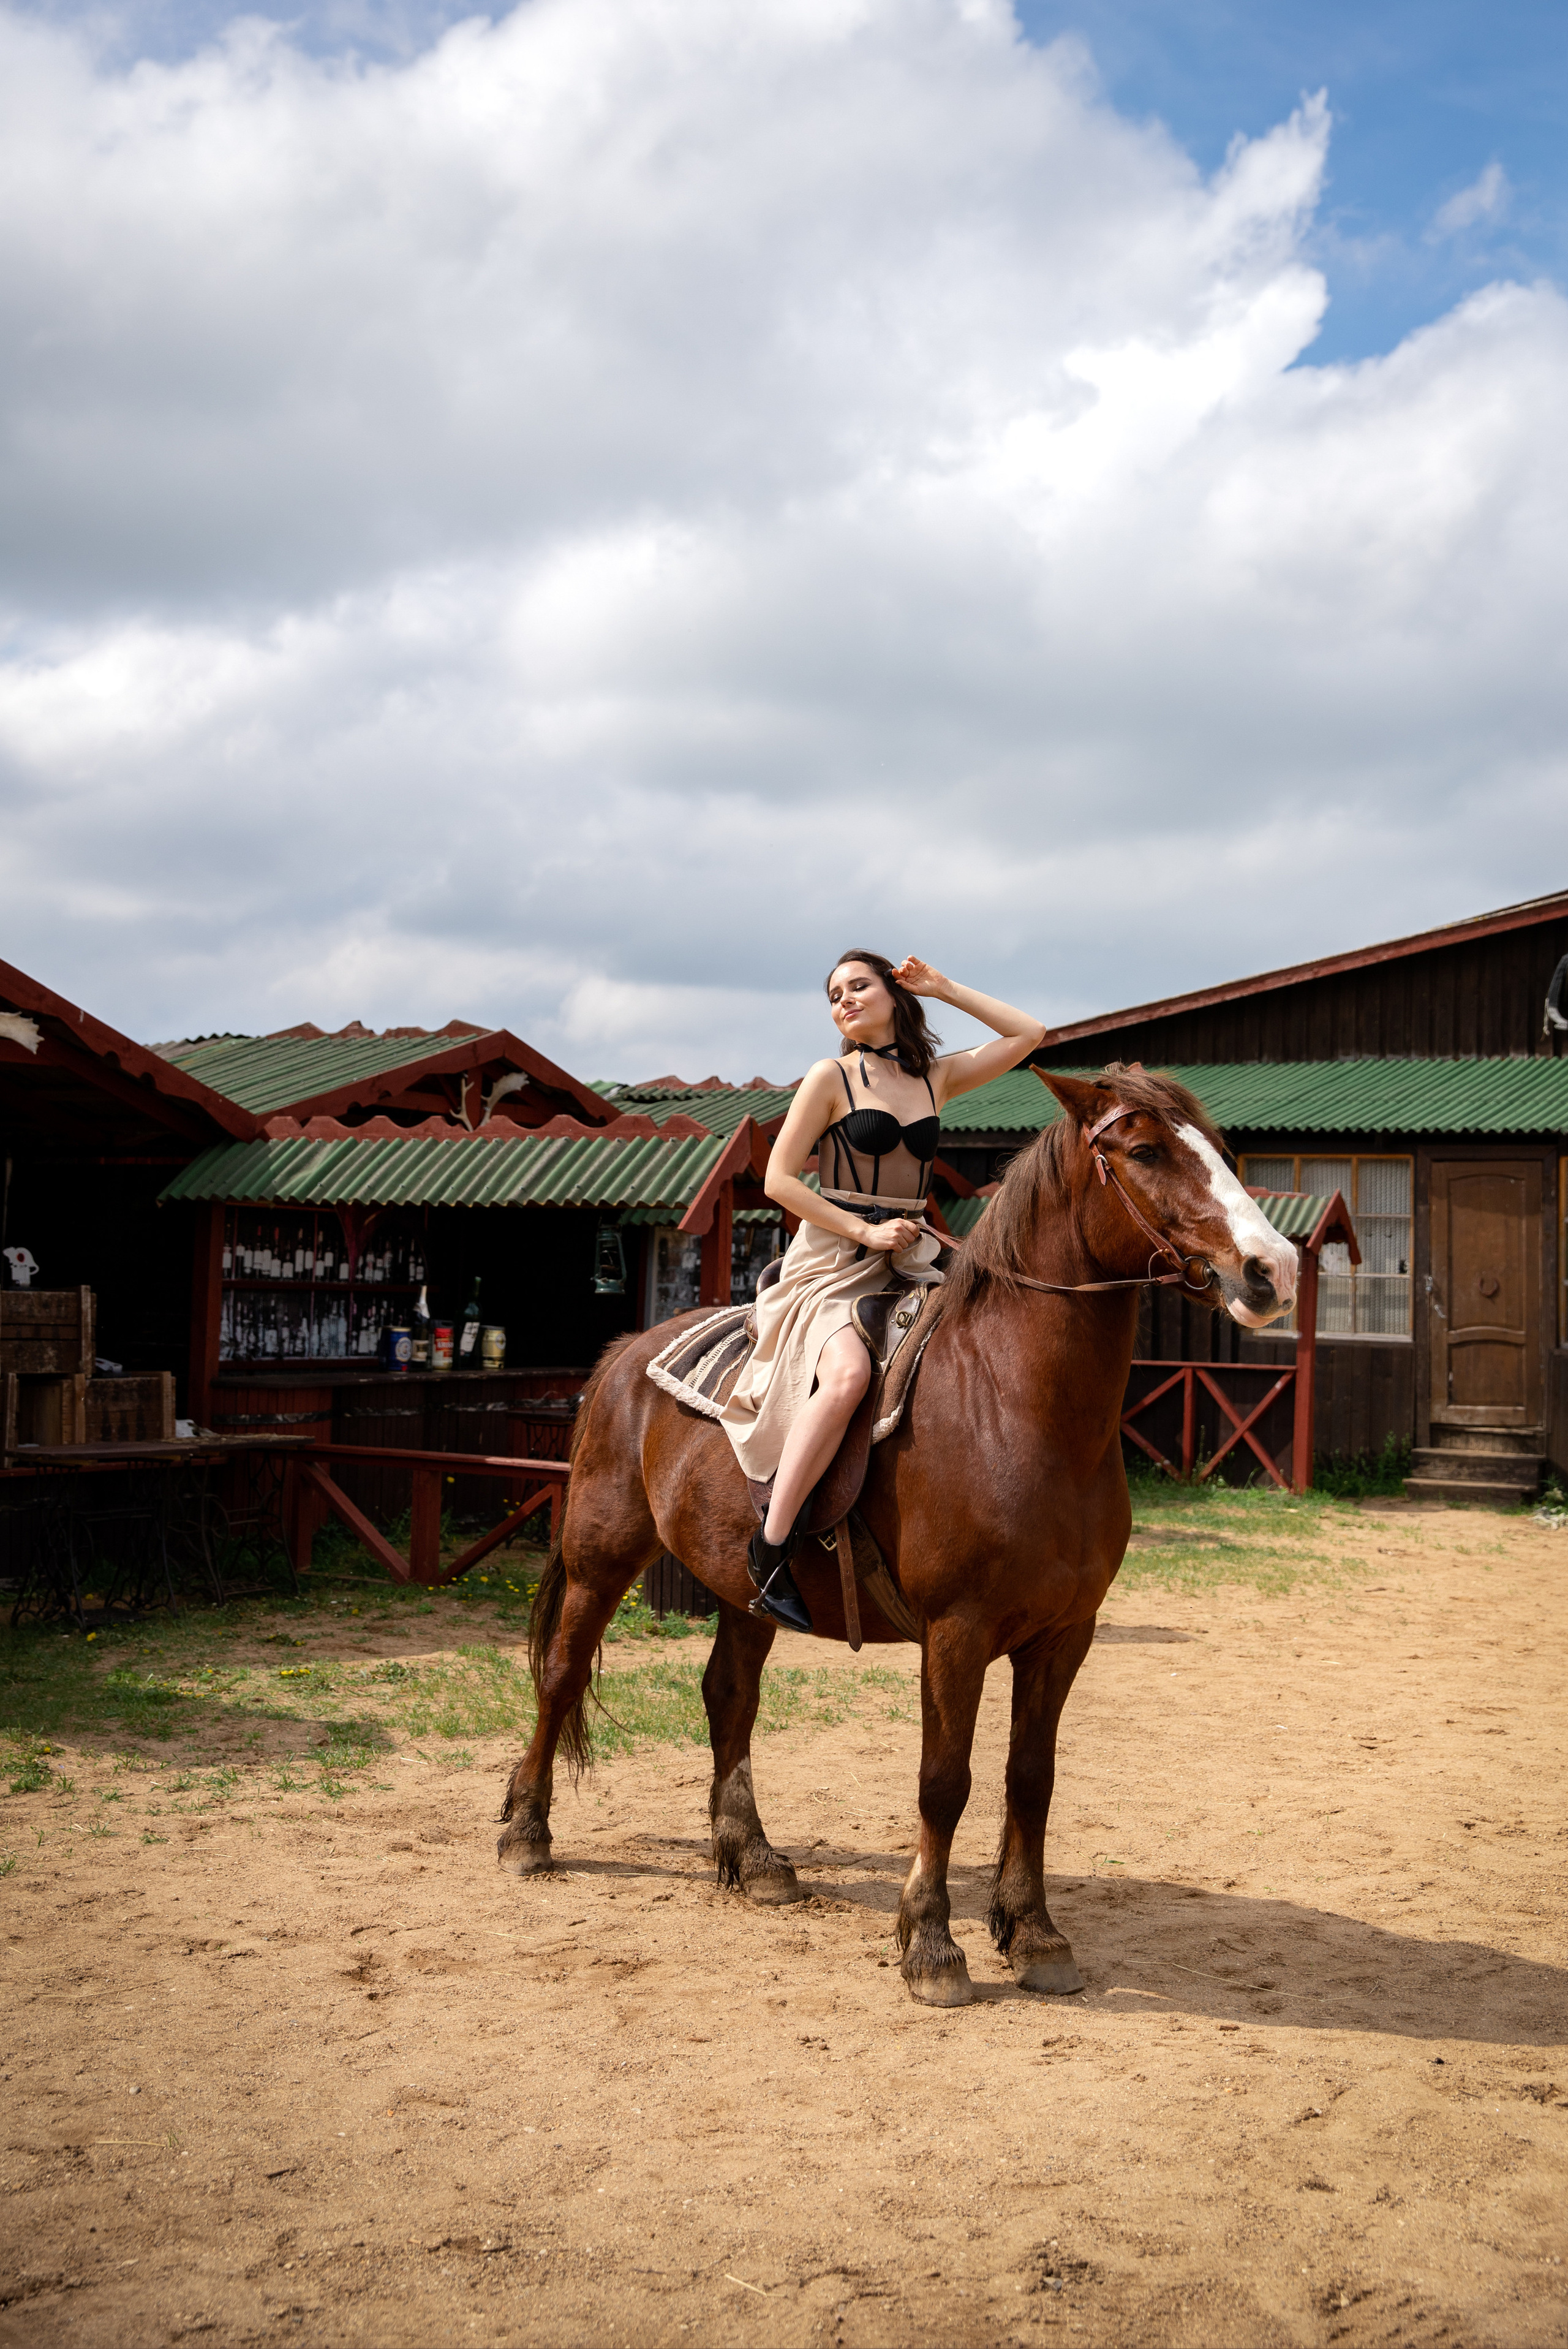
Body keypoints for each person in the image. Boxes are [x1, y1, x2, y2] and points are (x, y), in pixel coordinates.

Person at [719, 950, 1046, 1631]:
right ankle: (771, 1546)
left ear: (894, 993)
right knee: (845, 1377)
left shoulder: (936, 1077)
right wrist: (860, 1233)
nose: (842, 1000)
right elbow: (779, 1180)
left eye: (857, 985)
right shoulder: (830, 1076)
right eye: (833, 993)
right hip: (834, 1257)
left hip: (913, 1251)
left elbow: (1029, 1035)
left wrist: (944, 987)